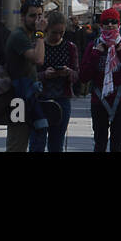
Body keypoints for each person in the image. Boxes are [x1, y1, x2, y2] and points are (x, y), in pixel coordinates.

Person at [80, 7, 121, 152]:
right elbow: (83, 76)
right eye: (106, 22)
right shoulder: (93, 46)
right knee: (99, 143)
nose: (110, 25)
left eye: (114, 22)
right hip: (99, 99)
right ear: (101, 25)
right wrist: (95, 55)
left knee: (117, 144)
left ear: (119, 25)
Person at [4, 0, 49, 152]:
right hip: (17, 97)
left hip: (28, 94)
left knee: (36, 134)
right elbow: (38, 59)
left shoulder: (29, 35)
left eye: (39, 15)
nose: (37, 20)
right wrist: (40, 33)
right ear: (23, 17)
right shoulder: (19, 36)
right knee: (17, 142)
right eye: (32, 16)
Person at [35, 12, 78, 152]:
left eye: (62, 32)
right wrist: (44, 75)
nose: (58, 36)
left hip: (62, 99)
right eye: (54, 32)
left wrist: (68, 72)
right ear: (47, 30)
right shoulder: (38, 44)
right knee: (37, 142)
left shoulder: (70, 47)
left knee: (57, 143)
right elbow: (29, 74)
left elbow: (77, 75)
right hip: (40, 99)